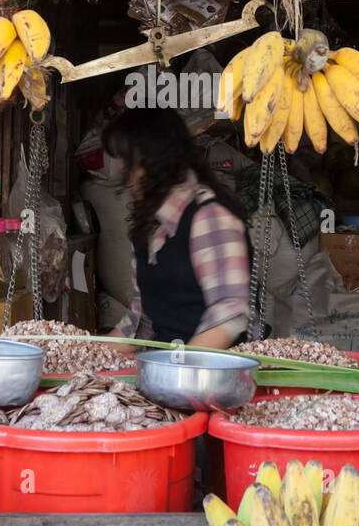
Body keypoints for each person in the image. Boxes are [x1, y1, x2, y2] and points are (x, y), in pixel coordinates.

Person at [103, 107, 252, 349]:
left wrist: (178, 370)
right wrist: (82, 356)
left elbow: (229, 317)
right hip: (166, 370)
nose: (127, 179)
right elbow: (140, 322)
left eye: (130, 166)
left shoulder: (209, 216)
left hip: (212, 374)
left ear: (156, 161)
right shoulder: (148, 225)